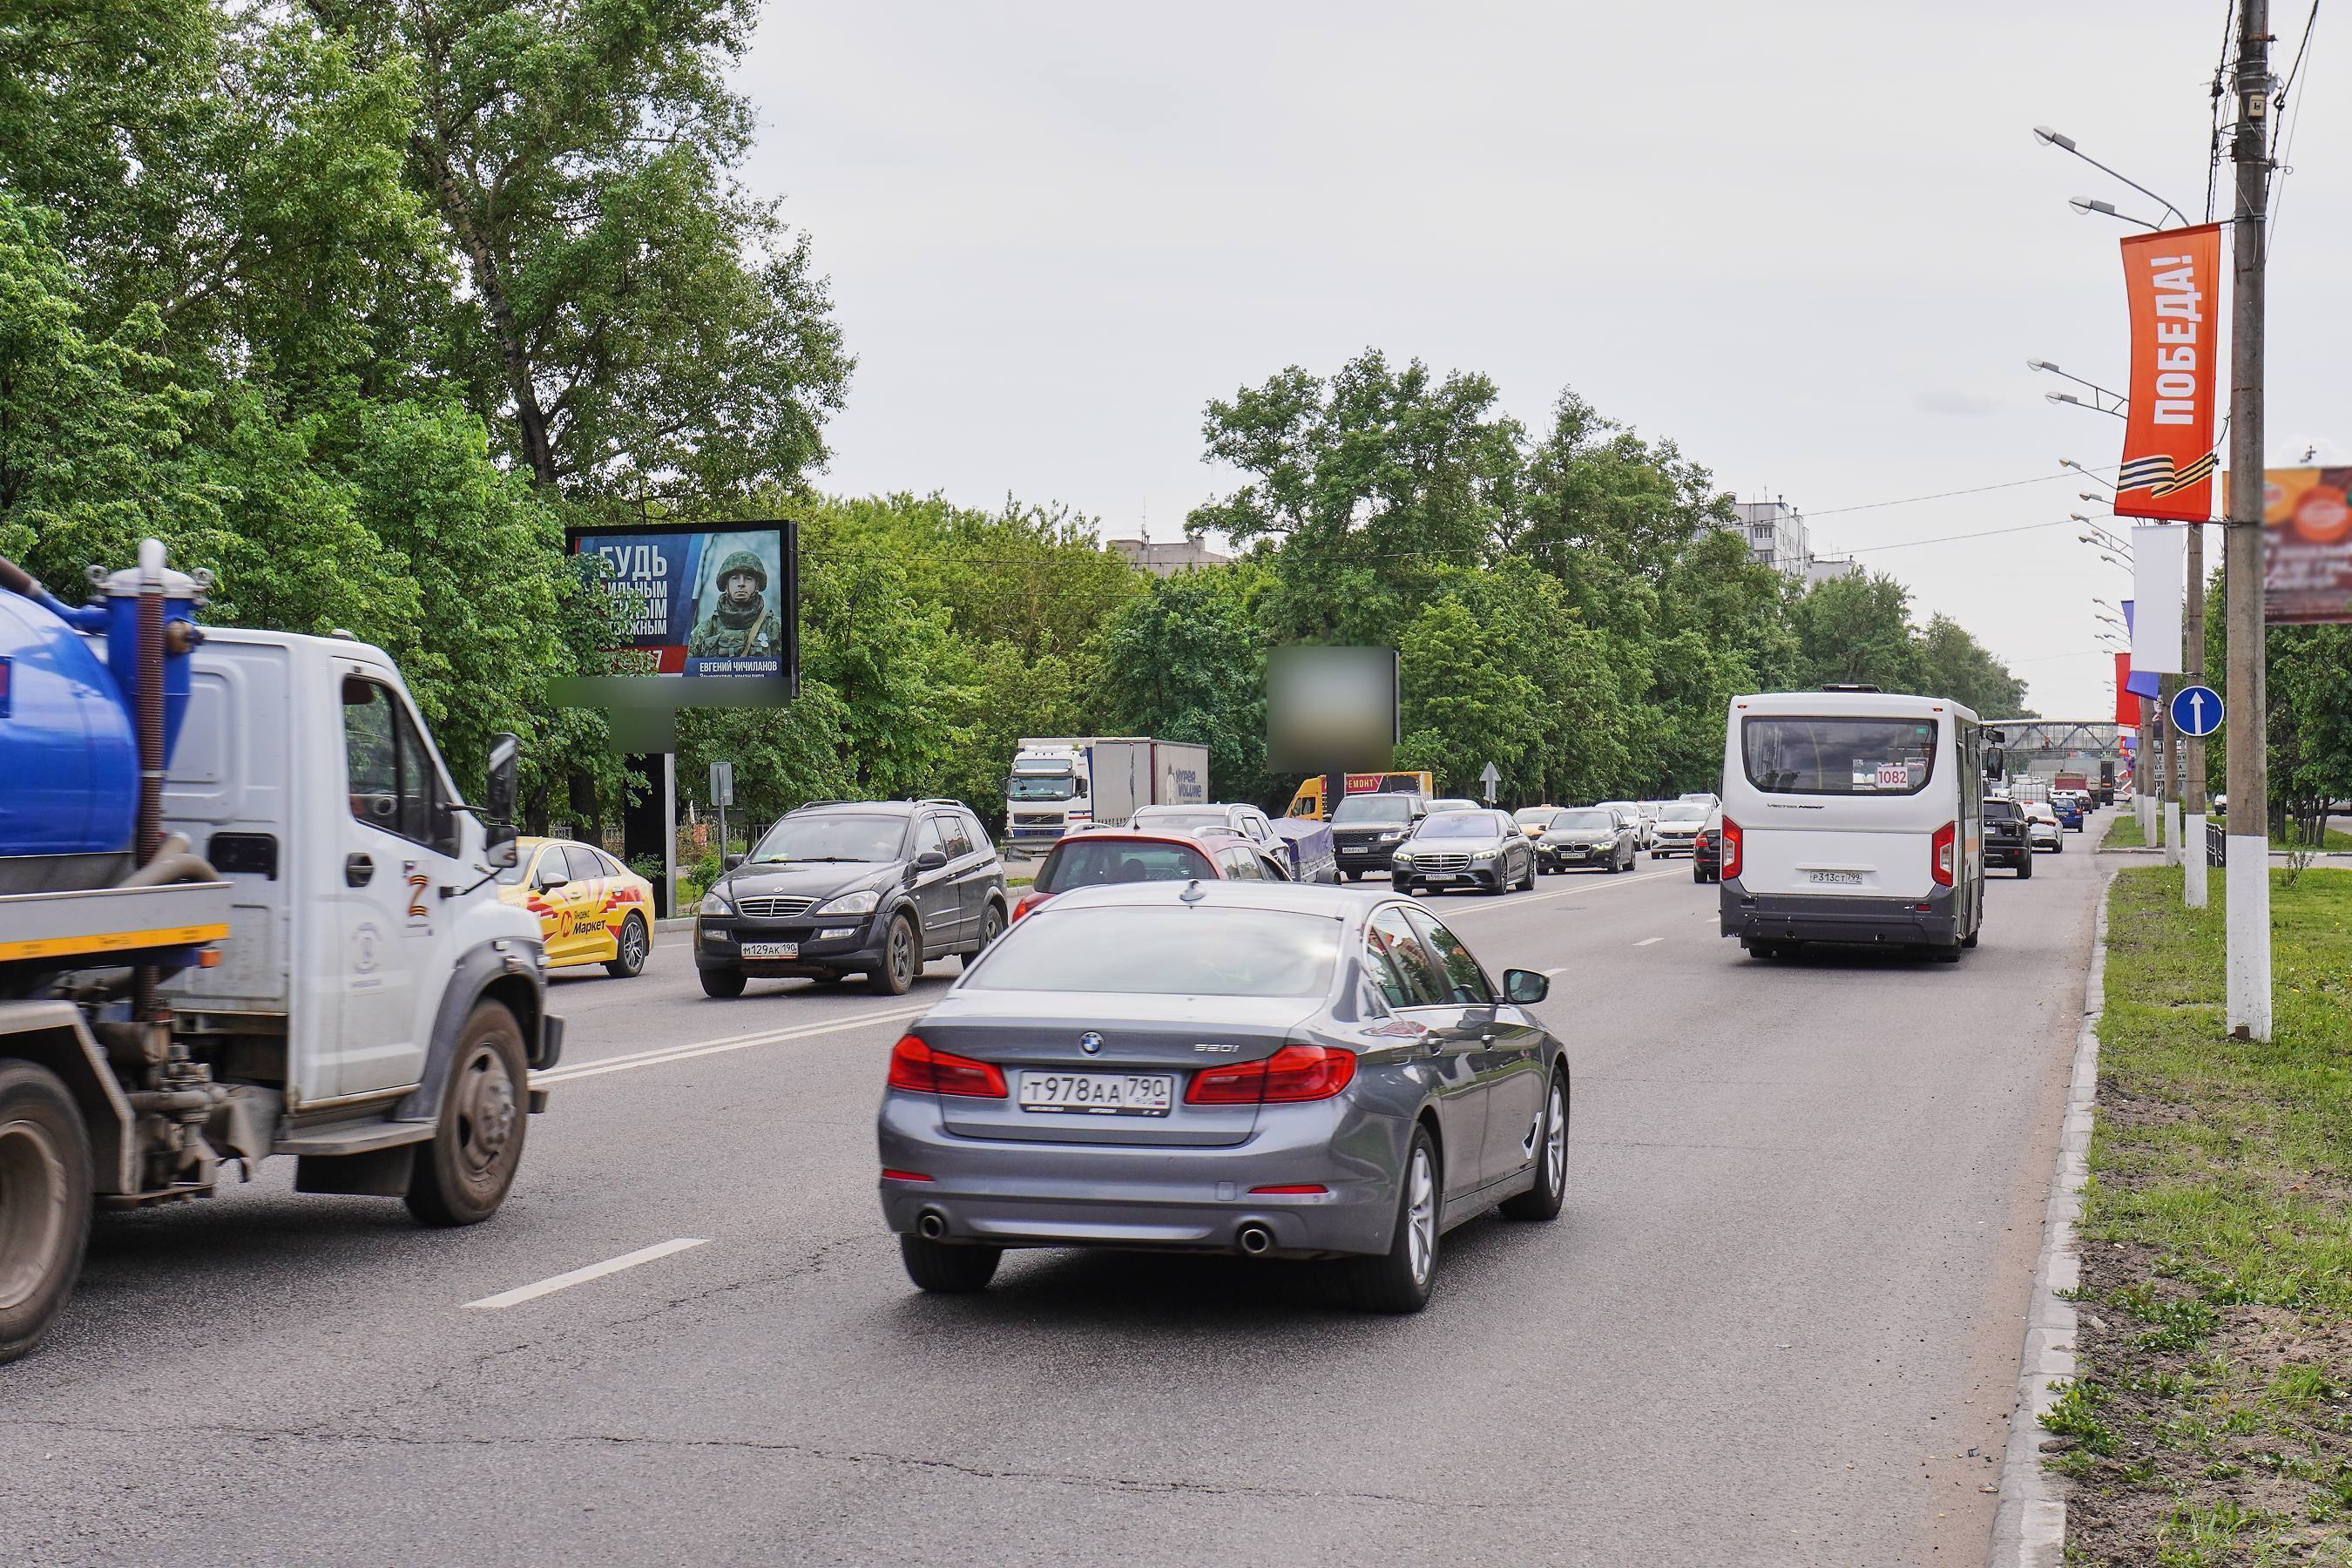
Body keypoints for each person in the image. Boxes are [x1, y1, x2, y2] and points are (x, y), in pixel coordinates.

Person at [686, 550, 780, 659]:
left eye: (748, 579)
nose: (741, 584)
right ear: (726, 586)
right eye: (735, 579)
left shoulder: (774, 628)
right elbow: (691, 673)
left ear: (757, 585)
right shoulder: (704, 631)